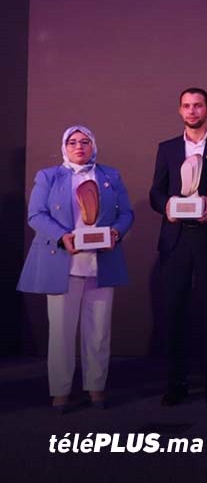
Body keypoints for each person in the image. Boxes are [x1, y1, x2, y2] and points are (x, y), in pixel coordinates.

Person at [18, 126, 134, 412]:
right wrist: (62, 236)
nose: (79, 146)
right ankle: (60, 391)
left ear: (93, 145)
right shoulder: (48, 176)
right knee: (61, 332)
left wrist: (115, 233)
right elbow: (36, 215)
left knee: (99, 331)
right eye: (72, 142)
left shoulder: (110, 175)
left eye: (84, 141)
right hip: (63, 263)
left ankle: (96, 387)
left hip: (101, 263)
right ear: (64, 147)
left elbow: (126, 213)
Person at [150, 88, 207, 406]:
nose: (192, 111)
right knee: (174, 312)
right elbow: (156, 192)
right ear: (180, 110)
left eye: (198, 106)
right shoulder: (167, 148)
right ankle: (176, 384)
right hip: (175, 240)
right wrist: (167, 205)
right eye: (186, 106)